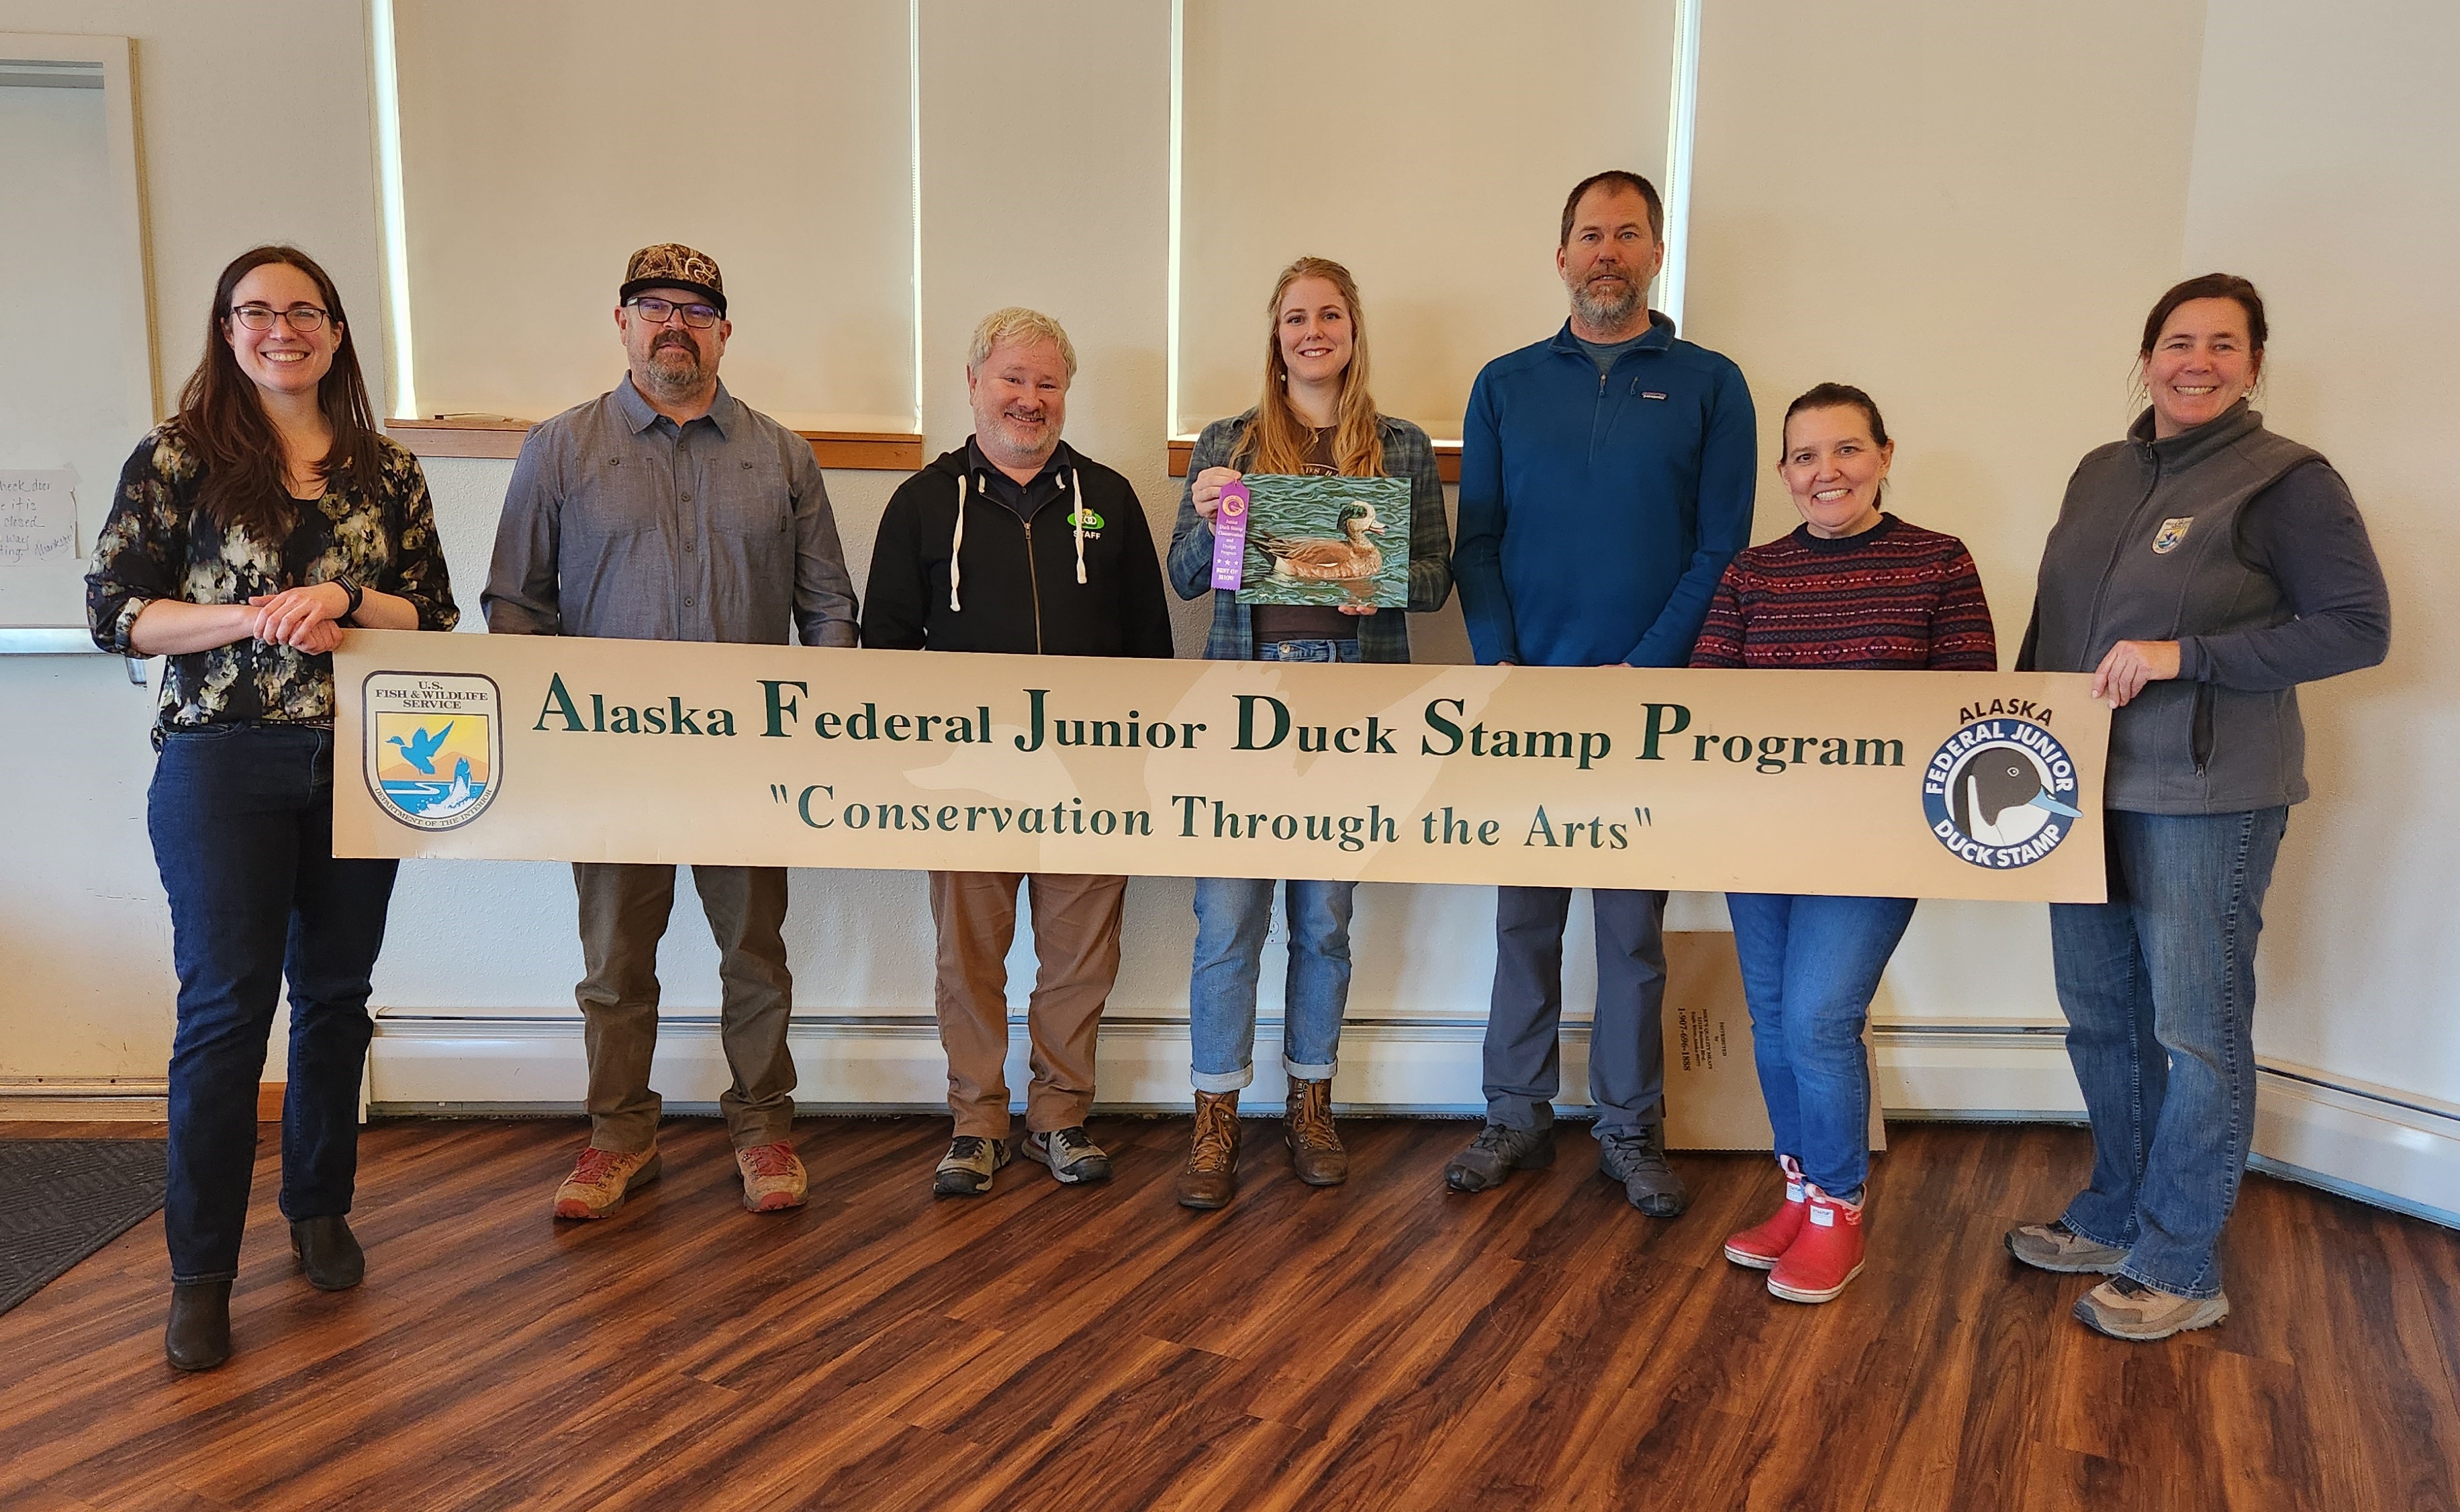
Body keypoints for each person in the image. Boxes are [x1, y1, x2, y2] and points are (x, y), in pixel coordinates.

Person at [87, 245, 459, 1370]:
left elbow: (432, 614)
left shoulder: (387, 471)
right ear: (227, 331)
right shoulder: (177, 458)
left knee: (336, 999)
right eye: (255, 312)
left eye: (303, 311)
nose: (279, 328)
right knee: (225, 1013)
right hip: (220, 763)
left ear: (336, 333)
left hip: (362, 764)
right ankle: (200, 1272)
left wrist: (345, 596)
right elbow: (119, 615)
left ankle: (318, 1209)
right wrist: (253, 617)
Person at [2005, 274, 2390, 1340]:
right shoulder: (2101, 472)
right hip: (2077, 791)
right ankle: (2116, 1211)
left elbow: (2359, 628)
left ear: (2255, 365)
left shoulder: (2288, 481)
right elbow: (2053, 624)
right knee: (2100, 1014)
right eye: (2179, 343)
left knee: (2196, 1031)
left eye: (2225, 345)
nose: (2198, 363)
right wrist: (2016, 739)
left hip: (2204, 797)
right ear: (2147, 359)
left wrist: (2190, 655)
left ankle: (2180, 1263)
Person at [483, 243, 859, 1221]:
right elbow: (516, 606)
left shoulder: (782, 455)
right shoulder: (561, 449)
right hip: (612, 765)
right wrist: (553, 740)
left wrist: (815, 724)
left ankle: (764, 1128)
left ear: (724, 331)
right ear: (623, 324)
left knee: (756, 954)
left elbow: (828, 608)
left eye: (695, 311)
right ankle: (618, 1138)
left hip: (749, 765)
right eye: (653, 307)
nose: (673, 326)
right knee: (615, 964)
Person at [1446, 170, 1757, 1213]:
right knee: (1523, 924)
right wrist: (1501, 661)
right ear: (1562, 256)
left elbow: (1721, 550)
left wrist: (1649, 666)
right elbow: (1478, 541)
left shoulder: (1712, 384)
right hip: (1527, 701)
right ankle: (1515, 1116)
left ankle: (1629, 1129)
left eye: (1627, 234)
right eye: (1589, 235)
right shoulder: (1505, 384)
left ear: (1657, 254)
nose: (1607, 252)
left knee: (1630, 934)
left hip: (1646, 707)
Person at [1691, 383, 1996, 1303]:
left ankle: (1838, 1209)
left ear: (1885, 456)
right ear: (1785, 473)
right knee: (1773, 1021)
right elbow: (1707, 699)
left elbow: (1969, 710)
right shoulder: (1751, 573)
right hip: (1761, 839)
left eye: (1847, 450)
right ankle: (1799, 1191)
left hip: (1875, 843)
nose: (1827, 471)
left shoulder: (1939, 562)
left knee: (1821, 1021)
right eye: (1806, 456)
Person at [863, 308, 1175, 1196]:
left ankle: (1060, 1117)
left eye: (1047, 383)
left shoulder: (1109, 499)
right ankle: (977, 1122)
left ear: (1065, 394)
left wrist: (1135, 769)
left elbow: (1149, 648)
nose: (1029, 399)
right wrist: (919, 769)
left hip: (1090, 779)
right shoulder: (923, 503)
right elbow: (884, 651)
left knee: (1080, 961)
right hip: (965, 781)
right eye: (1012, 378)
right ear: (974, 384)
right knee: (969, 960)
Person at [1163, 256, 1454, 1209]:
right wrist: (1211, 517)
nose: (1313, 332)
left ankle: (1311, 1102)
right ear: (1276, 335)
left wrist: (1372, 576)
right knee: (1227, 918)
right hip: (1246, 700)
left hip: (1354, 705)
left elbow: (1433, 579)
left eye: (1330, 315)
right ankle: (1214, 1113)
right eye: (1296, 317)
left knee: (1324, 920)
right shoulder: (1230, 442)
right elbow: (1188, 578)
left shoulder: (1401, 447)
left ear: (1353, 331)